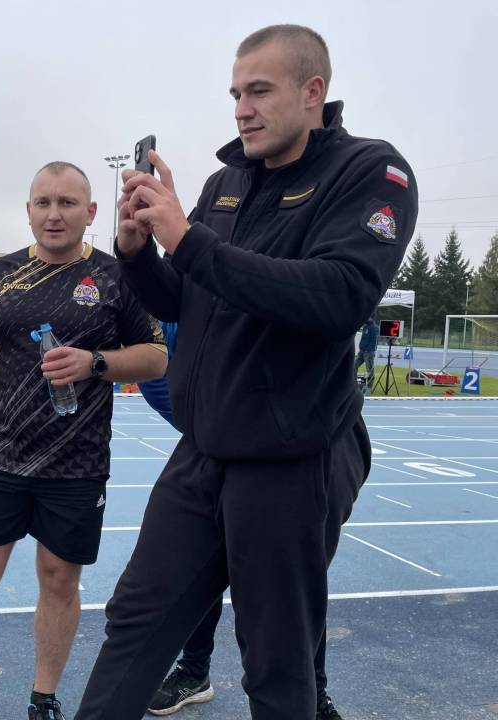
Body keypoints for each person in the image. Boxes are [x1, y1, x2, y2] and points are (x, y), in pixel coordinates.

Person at [75, 25, 418, 720]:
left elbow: (338, 296)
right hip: (204, 450)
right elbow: (182, 298)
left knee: (276, 662)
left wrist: (187, 238)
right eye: (235, 94)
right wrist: (138, 252)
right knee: (135, 620)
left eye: (259, 91)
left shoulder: (372, 171)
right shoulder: (225, 183)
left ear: (312, 91)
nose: (241, 109)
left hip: (292, 456)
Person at [0, 161, 167, 720]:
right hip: (0, 456)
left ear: (90, 212)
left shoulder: (115, 277)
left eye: (67, 203)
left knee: (58, 581)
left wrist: (95, 362)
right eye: (44, 203)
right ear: (28, 210)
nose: (54, 214)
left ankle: (43, 700)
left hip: (77, 465)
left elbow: (155, 357)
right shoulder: (1, 275)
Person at [138, 319, 344, 719]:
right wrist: (209, 425)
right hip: (214, 437)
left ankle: (314, 692)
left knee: (294, 584)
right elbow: (155, 375)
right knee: (197, 564)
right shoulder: (168, 303)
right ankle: (194, 670)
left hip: (295, 443)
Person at [355, 317, 379, 391]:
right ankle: (353, 383)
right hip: (361, 351)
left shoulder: (374, 328)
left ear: (371, 318)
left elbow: (374, 341)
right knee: (354, 365)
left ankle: (369, 387)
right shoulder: (365, 326)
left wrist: (368, 349)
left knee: (369, 369)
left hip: (368, 352)